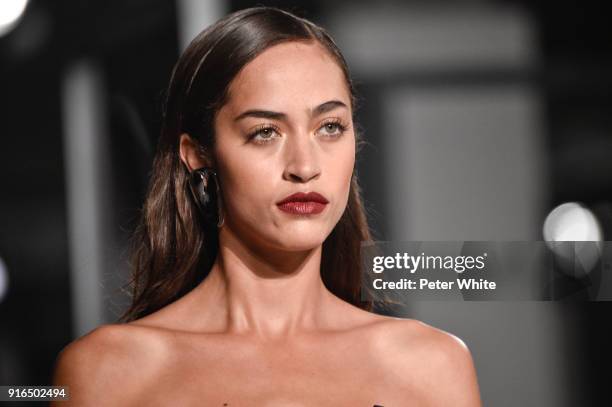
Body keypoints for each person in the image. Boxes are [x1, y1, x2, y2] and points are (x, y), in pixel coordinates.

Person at [52, 6, 481, 406]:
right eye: (265, 132)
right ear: (198, 155)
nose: (305, 166)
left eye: (329, 127)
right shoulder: (107, 373)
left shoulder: (433, 367)